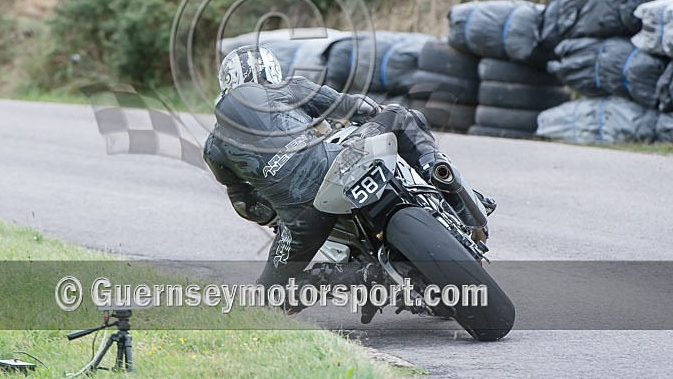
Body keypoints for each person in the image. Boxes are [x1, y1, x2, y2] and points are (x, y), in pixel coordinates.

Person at [203, 45, 494, 322]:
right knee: (400, 115)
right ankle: (450, 185)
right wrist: (368, 117)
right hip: (337, 162)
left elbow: (246, 205)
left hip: (301, 219)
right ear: (273, 73)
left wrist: (277, 207)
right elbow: (357, 107)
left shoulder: (214, 147)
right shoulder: (289, 87)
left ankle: (341, 276)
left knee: (269, 294)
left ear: (227, 84)